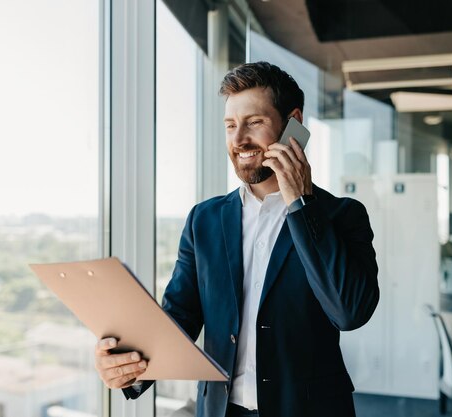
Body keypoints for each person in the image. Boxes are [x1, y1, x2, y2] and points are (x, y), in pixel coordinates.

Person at [94, 61, 379, 417]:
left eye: (254, 122)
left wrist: (302, 205)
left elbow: (349, 311)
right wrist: (130, 369)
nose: (239, 138)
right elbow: (180, 315)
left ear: (294, 123)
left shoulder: (342, 215)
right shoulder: (205, 219)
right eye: (230, 125)